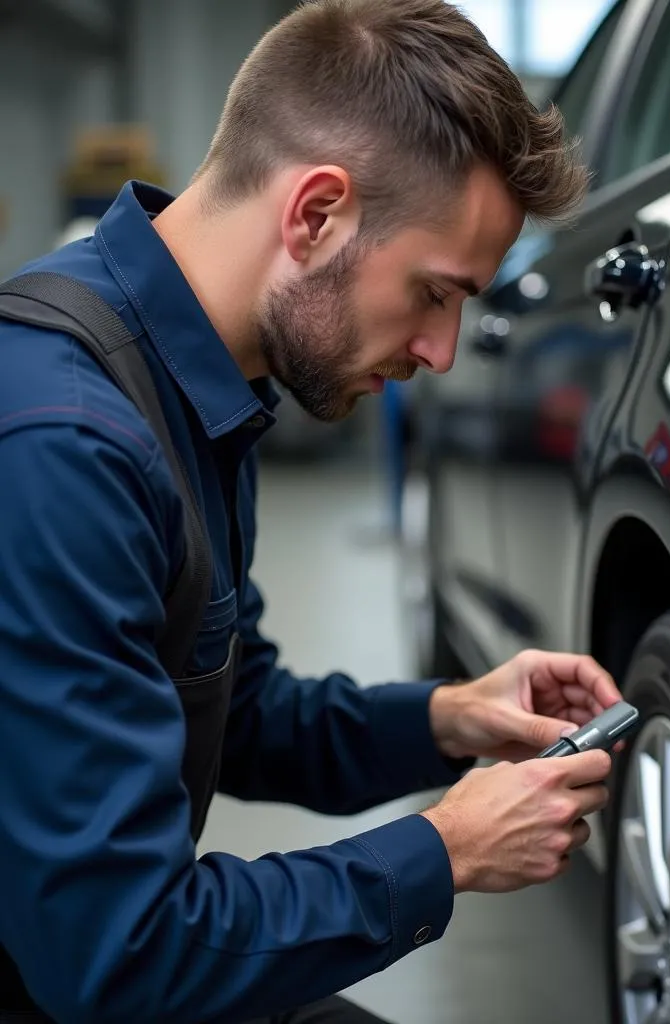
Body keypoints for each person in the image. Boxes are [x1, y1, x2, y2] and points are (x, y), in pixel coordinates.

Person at [0, 2, 619, 1022]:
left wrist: (449, 719)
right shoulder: (66, 445)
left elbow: (231, 706)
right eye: (432, 292)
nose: (442, 352)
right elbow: (116, 955)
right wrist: (443, 850)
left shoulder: (188, 385)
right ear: (316, 214)